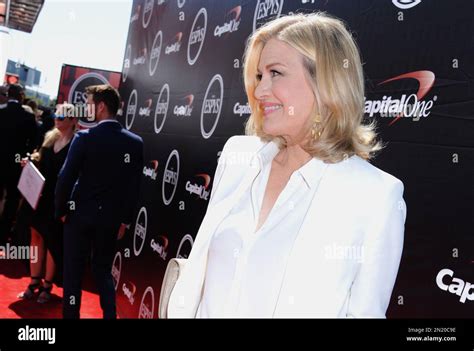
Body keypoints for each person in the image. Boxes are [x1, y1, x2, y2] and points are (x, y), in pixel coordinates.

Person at [167, 12, 407, 318]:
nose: (259, 90)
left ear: (326, 82)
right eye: (258, 76)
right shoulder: (238, 158)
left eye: (275, 73)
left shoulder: (374, 196)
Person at [55, 85, 143, 319]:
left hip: (79, 217)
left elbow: (65, 178)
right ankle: (110, 316)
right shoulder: (134, 143)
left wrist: (61, 210)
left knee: (73, 275)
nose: (87, 108)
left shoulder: (84, 137)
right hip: (110, 221)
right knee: (103, 272)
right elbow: (134, 188)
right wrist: (124, 221)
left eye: (90, 103)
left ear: (101, 107)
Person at [18, 104, 77, 303]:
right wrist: (30, 160)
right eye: (57, 115)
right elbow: (39, 157)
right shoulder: (49, 136)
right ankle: (34, 282)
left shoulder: (76, 144)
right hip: (39, 196)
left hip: (57, 200)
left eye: (62, 116)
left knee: (52, 241)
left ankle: (46, 285)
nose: (57, 119)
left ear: (72, 121)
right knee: (35, 237)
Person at [0, 84, 38, 244]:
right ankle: (2, 236)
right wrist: (25, 154)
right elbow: (35, 141)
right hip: (16, 167)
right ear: (21, 95)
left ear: (8, 95)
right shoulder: (28, 117)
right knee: (12, 200)